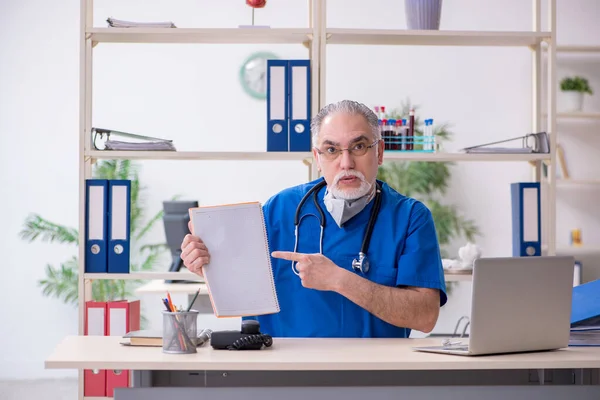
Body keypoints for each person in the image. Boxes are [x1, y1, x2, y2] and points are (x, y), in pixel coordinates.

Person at [180, 100, 447, 338]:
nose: (346, 162)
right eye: (331, 150)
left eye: (359, 146)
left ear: (379, 153)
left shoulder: (410, 217)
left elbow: (424, 317)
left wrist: (340, 280)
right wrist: (209, 266)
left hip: (372, 376)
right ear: (317, 158)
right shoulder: (279, 210)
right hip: (286, 373)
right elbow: (243, 290)